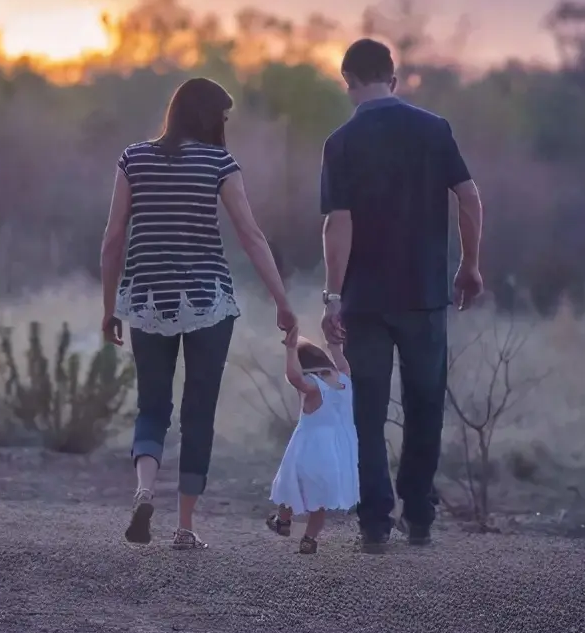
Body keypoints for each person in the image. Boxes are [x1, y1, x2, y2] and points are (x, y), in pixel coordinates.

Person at [100, 77, 297, 549]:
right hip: (208, 301)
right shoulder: (219, 163)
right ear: (209, 116)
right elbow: (251, 236)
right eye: (223, 117)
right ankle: (185, 527)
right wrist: (283, 302)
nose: (225, 126)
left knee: (152, 405)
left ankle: (145, 490)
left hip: (147, 300)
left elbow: (112, 239)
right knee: (198, 412)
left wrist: (110, 308)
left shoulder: (134, 158)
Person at [318, 39, 485, 550]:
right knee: (425, 403)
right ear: (394, 77)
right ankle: (419, 516)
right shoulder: (434, 130)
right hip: (425, 293)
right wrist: (470, 264)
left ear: (348, 82)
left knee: (367, 410)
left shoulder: (341, 141)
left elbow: (338, 223)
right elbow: (468, 196)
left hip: (365, 299)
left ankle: (374, 524)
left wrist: (331, 297)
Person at [266, 335, 359, 554]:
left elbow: (293, 377)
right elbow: (343, 364)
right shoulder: (343, 379)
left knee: (291, 483)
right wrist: (334, 346)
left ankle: (283, 520)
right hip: (336, 448)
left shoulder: (313, 386)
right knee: (319, 499)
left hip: (309, 446)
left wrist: (290, 350)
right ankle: (309, 539)